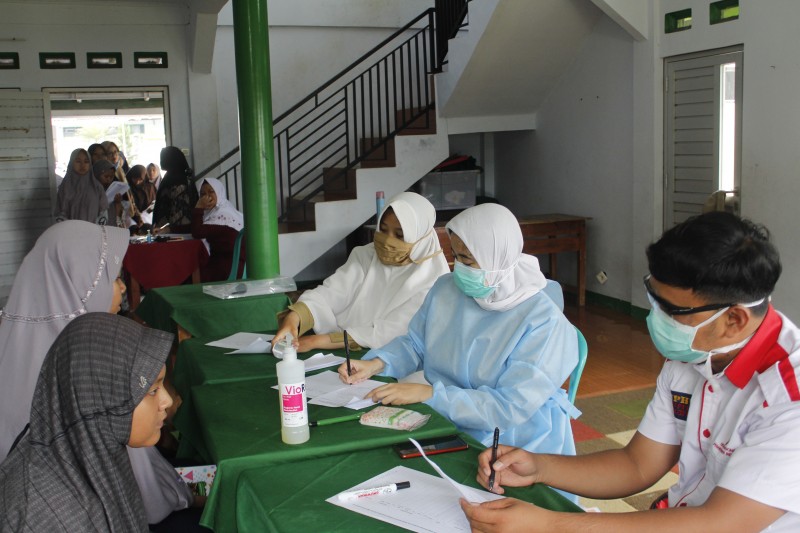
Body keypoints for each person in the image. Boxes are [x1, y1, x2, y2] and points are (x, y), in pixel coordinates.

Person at [461, 212, 799, 532]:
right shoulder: (695, 353)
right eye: (654, 300)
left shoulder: (788, 401)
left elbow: (721, 524)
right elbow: (637, 464)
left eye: (671, 310)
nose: (655, 318)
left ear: (734, 320)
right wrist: (540, 467)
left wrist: (550, 525)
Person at [339, 203, 580, 458]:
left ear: (497, 257)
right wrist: (377, 364)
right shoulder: (447, 289)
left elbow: (509, 408)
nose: (458, 268)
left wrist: (431, 394)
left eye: (467, 259)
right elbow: (417, 344)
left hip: (518, 439)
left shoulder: (543, 321)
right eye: (455, 256)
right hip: (447, 416)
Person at [0, 221, 197, 527]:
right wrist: (186, 495)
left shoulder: (12, 346)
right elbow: (146, 497)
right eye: (113, 278)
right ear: (78, 284)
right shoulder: (88, 366)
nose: (121, 288)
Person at [0, 313, 173, 531]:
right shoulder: (48, 517)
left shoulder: (89, 449)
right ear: (100, 398)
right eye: (153, 390)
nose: (167, 401)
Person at [274, 191, 449, 353]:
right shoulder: (366, 255)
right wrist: (294, 318)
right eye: (383, 229)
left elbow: (391, 332)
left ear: (420, 238)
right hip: (340, 347)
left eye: (400, 235)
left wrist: (316, 341)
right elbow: (330, 293)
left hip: (392, 358)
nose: (388, 240)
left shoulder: (434, 280)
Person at [191, 177, 245, 282]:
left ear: (219, 193)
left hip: (227, 268)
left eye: (211, 192)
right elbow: (197, 226)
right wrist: (169, 228)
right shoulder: (218, 211)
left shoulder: (223, 215)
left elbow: (197, 231)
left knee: (189, 273)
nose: (207, 197)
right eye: (202, 194)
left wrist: (199, 207)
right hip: (224, 263)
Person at [54, 147, 109, 225]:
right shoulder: (65, 187)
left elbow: (103, 213)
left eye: (86, 162)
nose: (82, 165)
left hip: (94, 232)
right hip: (71, 233)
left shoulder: (96, 187)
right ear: (72, 163)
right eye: (78, 161)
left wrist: (93, 228)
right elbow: (60, 214)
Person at [153, 146, 199, 233]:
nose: (161, 162)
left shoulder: (173, 179)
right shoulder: (184, 176)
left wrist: (163, 227)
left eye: (163, 158)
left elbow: (171, 205)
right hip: (186, 228)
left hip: (176, 230)